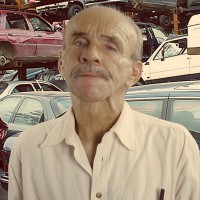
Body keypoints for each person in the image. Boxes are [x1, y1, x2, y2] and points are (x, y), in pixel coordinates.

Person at [8, 6, 200, 200]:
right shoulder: (28, 148)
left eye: (110, 47)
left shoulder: (174, 145)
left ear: (134, 72)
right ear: (61, 63)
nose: (91, 55)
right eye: (79, 42)